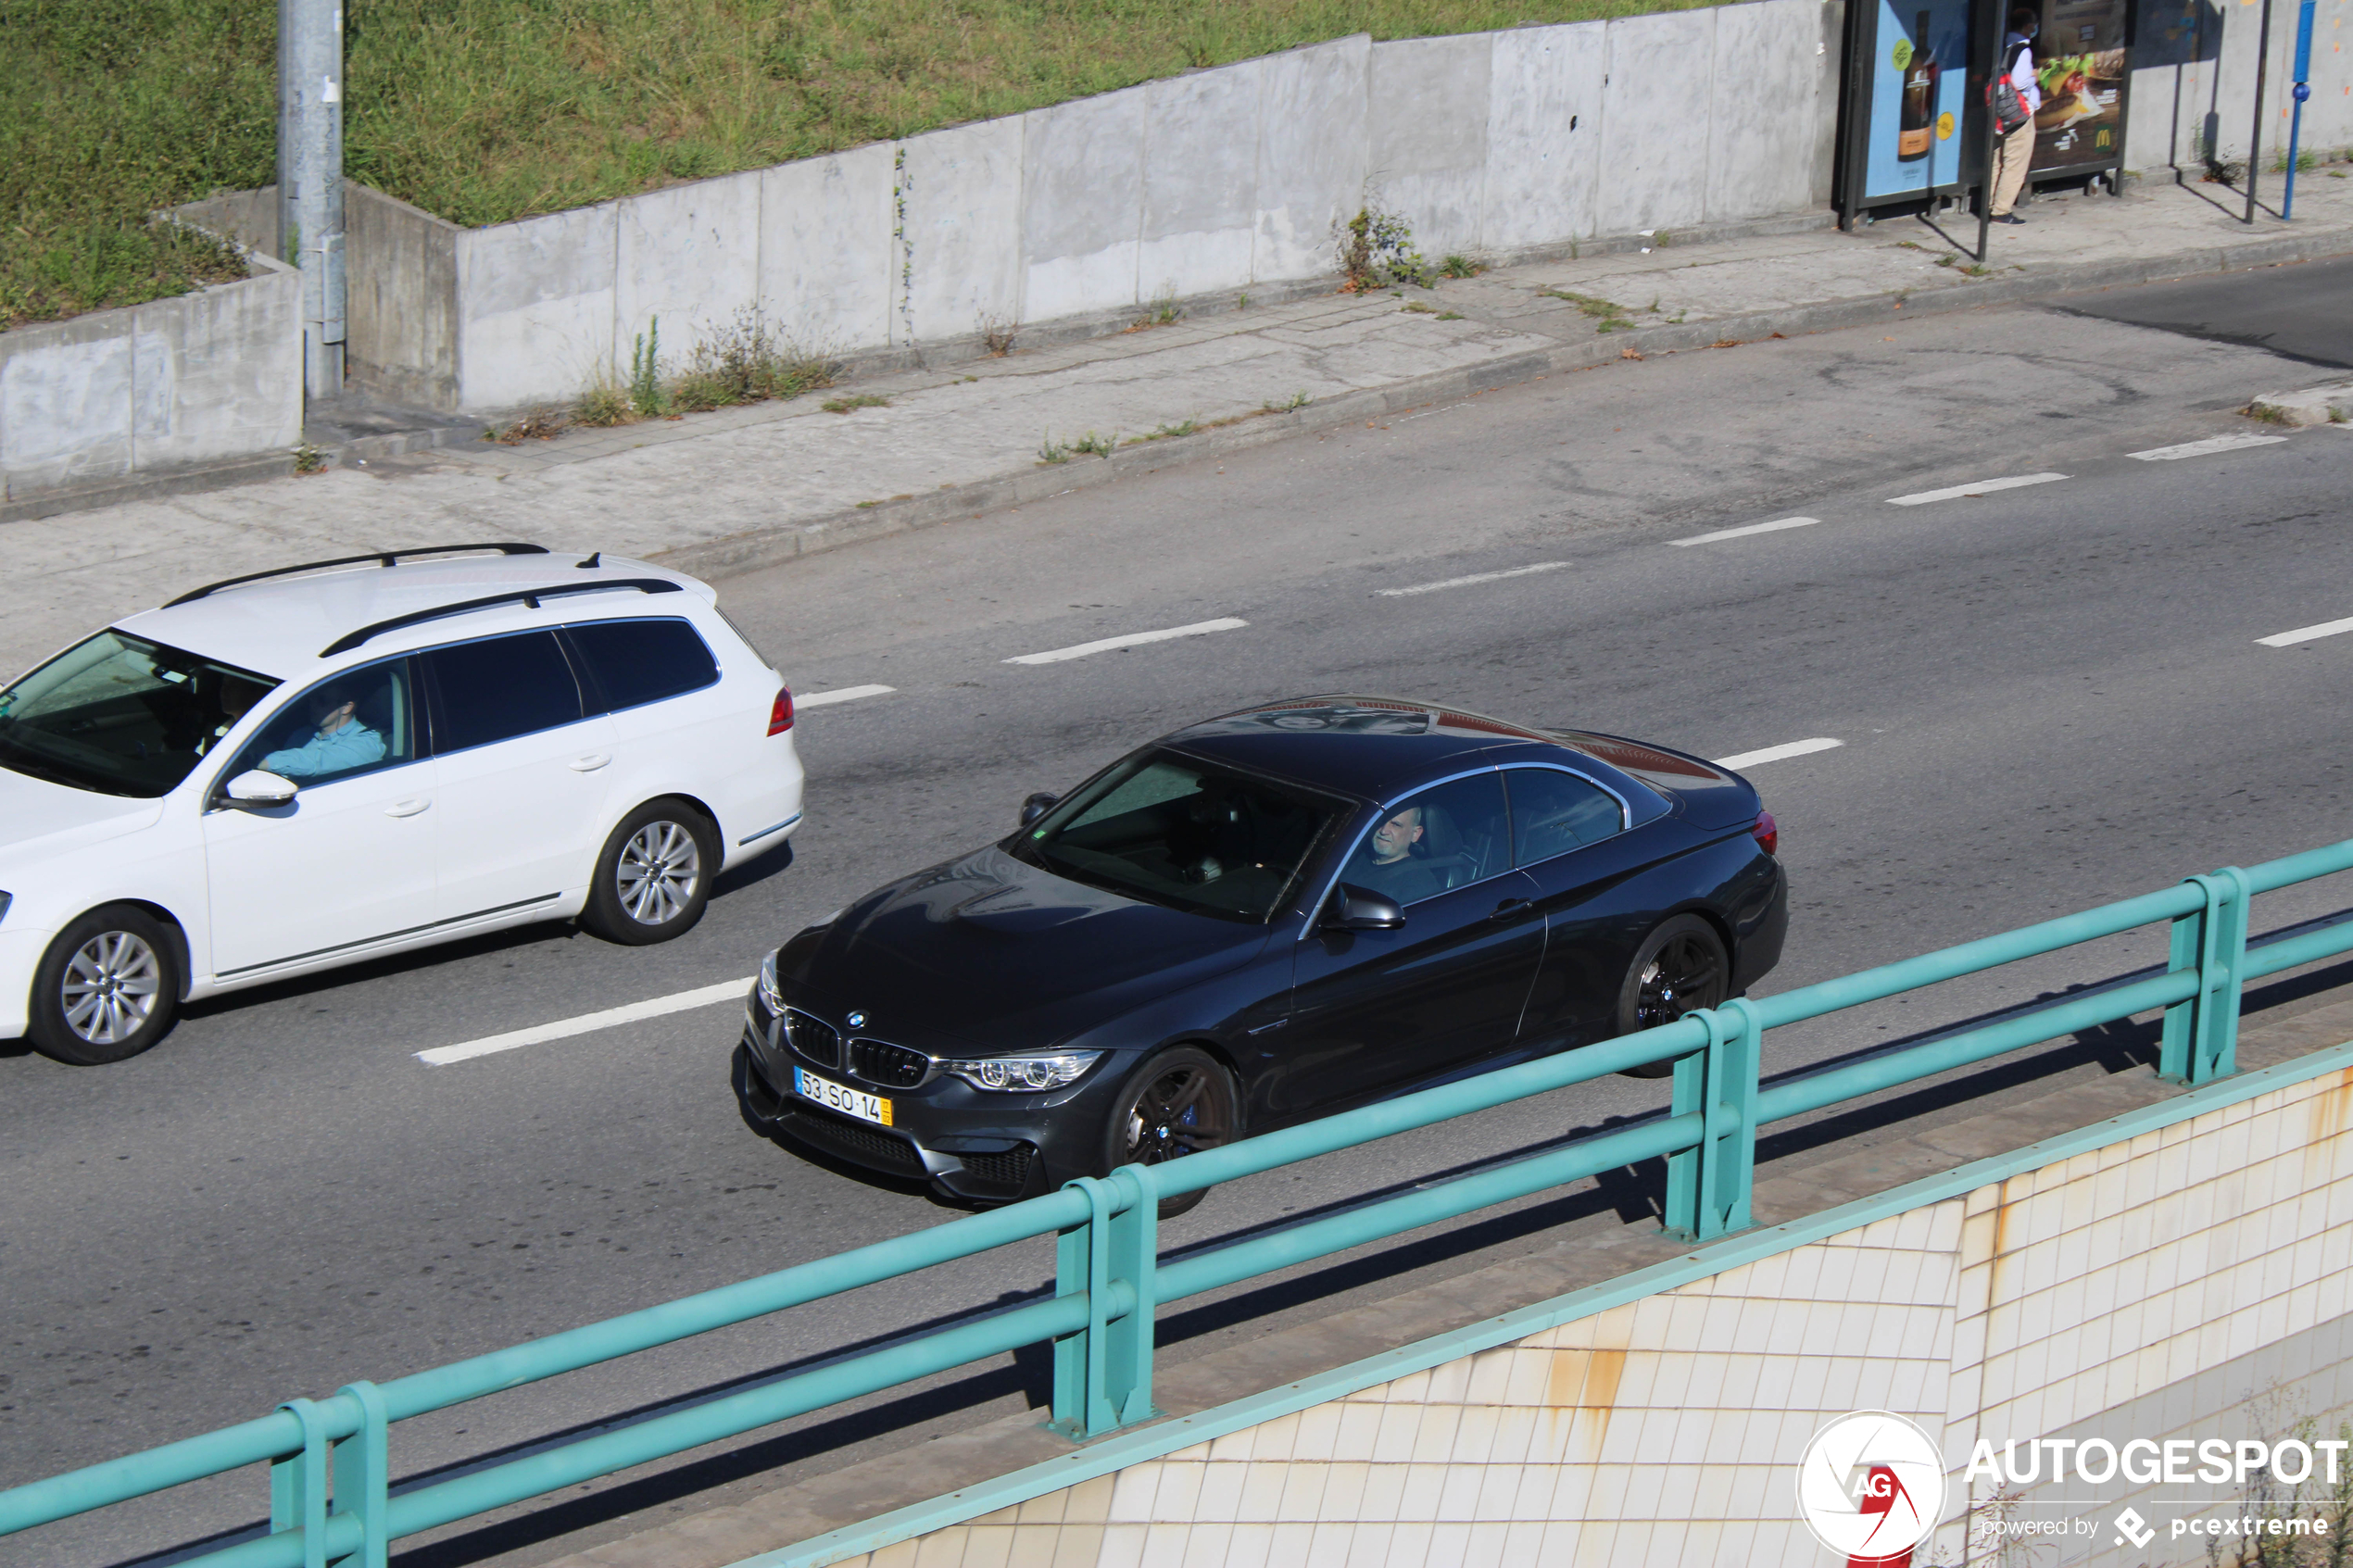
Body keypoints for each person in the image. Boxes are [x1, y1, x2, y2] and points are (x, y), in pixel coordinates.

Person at [1990, 6, 2044, 225]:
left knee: (1997, 161)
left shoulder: (2002, 45)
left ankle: (1989, 204)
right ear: (2028, 26)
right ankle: (2001, 210)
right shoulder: (2022, 50)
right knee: (2015, 163)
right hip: (2019, 114)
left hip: (1999, 111)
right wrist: (2034, 76)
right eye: (2034, 24)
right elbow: (2020, 82)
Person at [258, 688, 385, 780]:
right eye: (311, 699)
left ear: (346, 707)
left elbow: (318, 762)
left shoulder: (367, 742)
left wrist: (263, 761)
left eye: (322, 701)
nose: (313, 706)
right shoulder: (303, 734)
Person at [1346, 806, 1451, 906]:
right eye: (1381, 821)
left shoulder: (1419, 885)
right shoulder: (1351, 854)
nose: (1383, 831)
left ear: (1415, 834)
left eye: (1396, 825)